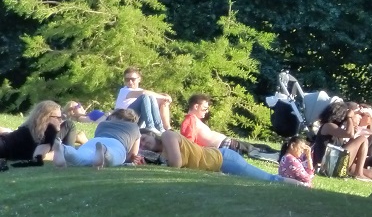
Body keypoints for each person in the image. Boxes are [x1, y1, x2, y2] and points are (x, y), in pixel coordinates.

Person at [143, 130, 287, 182]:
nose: (144, 144)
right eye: (140, 145)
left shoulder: (167, 135)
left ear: (151, 133)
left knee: (269, 179)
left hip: (222, 159)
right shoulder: (160, 154)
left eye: (144, 139)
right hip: (216, 165)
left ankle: (302, 185)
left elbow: (176, 164)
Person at [50, 109, 142, 168]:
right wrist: (128, 160)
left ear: (113, 116)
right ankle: (104, 150)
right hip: (117, 144)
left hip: (95, 141)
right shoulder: (134, 127)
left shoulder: (103, 124)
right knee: (113, 157)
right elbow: (132, 154)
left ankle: (63, 148)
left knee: (79, 156)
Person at [0, 100, 64, 164]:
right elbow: (39, 157)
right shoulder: (48, 131)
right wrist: (58, 152)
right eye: (58, 118)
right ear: (45, 117)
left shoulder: (30, 127)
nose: (61, 121)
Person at [114, 67, 172, 133]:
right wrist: (164, 97)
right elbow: (144, 93)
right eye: (127, 79)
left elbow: (151, 94)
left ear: (139, 79)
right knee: (145, 97)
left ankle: (162, 127)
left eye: (133, 79)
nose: (130, 82)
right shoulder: (124, 90)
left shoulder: (139, 91)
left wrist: (165, 98)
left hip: (137, 119)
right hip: (124, 119)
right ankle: (150, 126)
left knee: (153, 98)